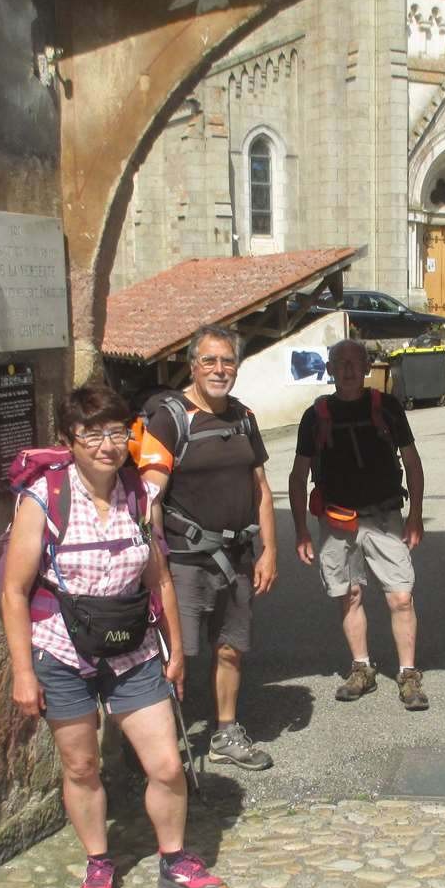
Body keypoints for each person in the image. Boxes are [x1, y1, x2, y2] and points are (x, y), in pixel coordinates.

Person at [0, 384, 228, 888]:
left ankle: (175, 861)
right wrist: (22, 672)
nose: (107, 445)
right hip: (61, 651)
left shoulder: (142, 495)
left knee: (167, 765)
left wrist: (174, 649)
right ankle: (99, 864)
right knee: (81, 767)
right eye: (93, 434)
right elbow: (14, 589)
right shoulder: (43, 498)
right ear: (69, 440)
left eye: (117, 432)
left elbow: (161, 580)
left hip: (133, 650)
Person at [132, 325, 278, 771]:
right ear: (193, 365)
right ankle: (157, 747)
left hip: (237, 556)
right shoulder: (170, 417)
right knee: (176, 652)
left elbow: (262, 489)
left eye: (228, 360)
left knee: (231, 646)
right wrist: (151, 556)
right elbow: (150, 494)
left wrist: (269, 549)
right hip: (184, 559)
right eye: (210, 361)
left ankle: (225, 733)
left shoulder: (243, 417)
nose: (220, 369)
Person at [288, 339, 430, 710]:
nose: (349, 368)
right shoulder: (315, 415)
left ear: (367, 368)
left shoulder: (387, 407)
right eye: (340, 362)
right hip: (337, 520)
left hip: (384, 516)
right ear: (330, 370)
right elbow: (298, 474)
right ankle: (362, 668)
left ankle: (409, 674)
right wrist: (301, 529)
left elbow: (412, 463)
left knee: (400, 596)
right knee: (348, 595)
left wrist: (415, 515)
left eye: (356, 362)